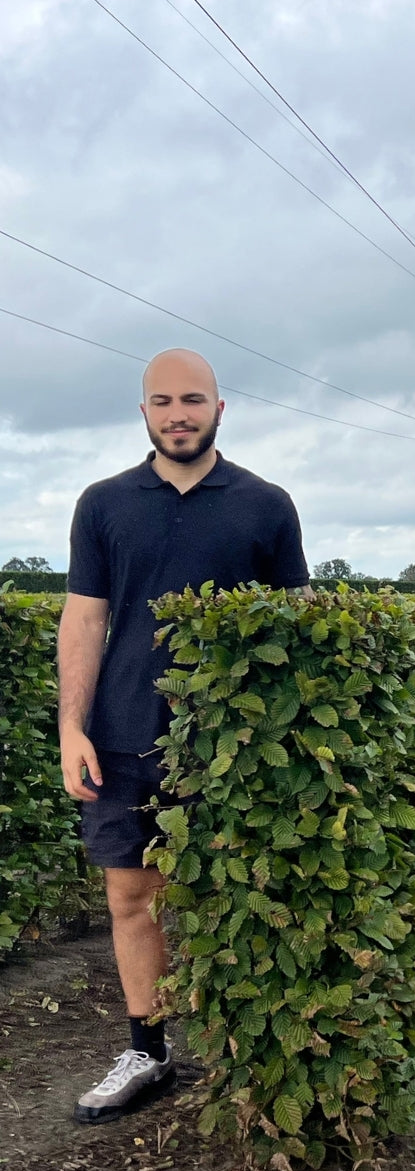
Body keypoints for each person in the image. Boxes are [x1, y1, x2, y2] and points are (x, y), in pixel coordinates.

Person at [58, 348, 310, 1123]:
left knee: (239, 896)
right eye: (162, 401)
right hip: (125, 735)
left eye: (193, 400)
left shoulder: (266, 505)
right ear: (143, 413)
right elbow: (86, 617)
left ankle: (249, 1049)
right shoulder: (103, 504)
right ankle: (150, 1050)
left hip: (233, 750)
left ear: (220, 410)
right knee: (132, 896)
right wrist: (72, 727)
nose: (178, 414)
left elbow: (301, 625)